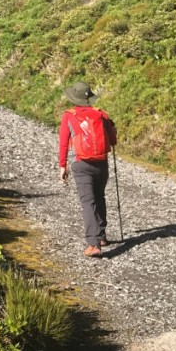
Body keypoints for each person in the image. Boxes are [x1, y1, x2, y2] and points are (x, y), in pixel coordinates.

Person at [58, 82, 117, 257]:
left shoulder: (69, 116)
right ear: (89, 97)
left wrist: (63, 166)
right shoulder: (101, 114)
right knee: (99, 197)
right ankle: (102, 235)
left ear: (74, 98)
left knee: (88, 202)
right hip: (101, 163)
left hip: (81, 163)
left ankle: (94, 244)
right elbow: (113, 139)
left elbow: (63, 142)